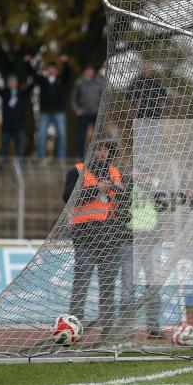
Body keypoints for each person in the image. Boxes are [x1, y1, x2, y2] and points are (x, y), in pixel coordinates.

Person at [62, 139, 122, 334]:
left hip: (108, 235)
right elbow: (68, 196)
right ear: (91, 151)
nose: (102, 153)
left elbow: (122, 203)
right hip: (84, 234)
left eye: (105, 150)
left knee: (107, 284)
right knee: (82, 281)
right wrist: (97, 189)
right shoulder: (77, 171)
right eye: (98, 149)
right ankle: (73, 327)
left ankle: (108, 329)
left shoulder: (115, 173)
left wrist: (120, 191)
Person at [26, 54, 71, 158]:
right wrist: (28, 63)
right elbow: (33, 74)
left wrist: (65, 62)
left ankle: (61, 159)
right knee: (41, 136)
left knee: (62, 136)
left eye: (53, 69)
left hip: (59, 112)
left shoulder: (61, 79)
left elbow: (68, 72)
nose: (51, 71)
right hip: (44, 113)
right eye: (50, 69)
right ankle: (41, 158)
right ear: (48, 70)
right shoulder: (42, 80)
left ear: (56, 71)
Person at [0, 72, 32, 158]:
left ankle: (19, 169)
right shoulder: (4, 93)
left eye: (13, 81)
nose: (11, 83)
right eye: (10, 82)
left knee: (19, 150)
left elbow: (31, 86)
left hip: (19, 126)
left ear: (16, 83)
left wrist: (31, 72)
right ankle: (2, 168)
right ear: (7, 83)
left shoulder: (21, 93)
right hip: (6, 127)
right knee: (4, 149)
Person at [71, 66, 104, 156]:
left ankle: (95, 155)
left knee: (97, 136)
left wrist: (101, 110)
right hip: (84, 113)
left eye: (91, 71)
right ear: (85, 71)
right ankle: (81, 156)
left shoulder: (99, 82)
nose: (89, 73)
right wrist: (77, 110)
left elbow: (103, 97)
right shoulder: (79, 82)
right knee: (82, 136)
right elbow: (73, 98)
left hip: (96, 113)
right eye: (88, 71)